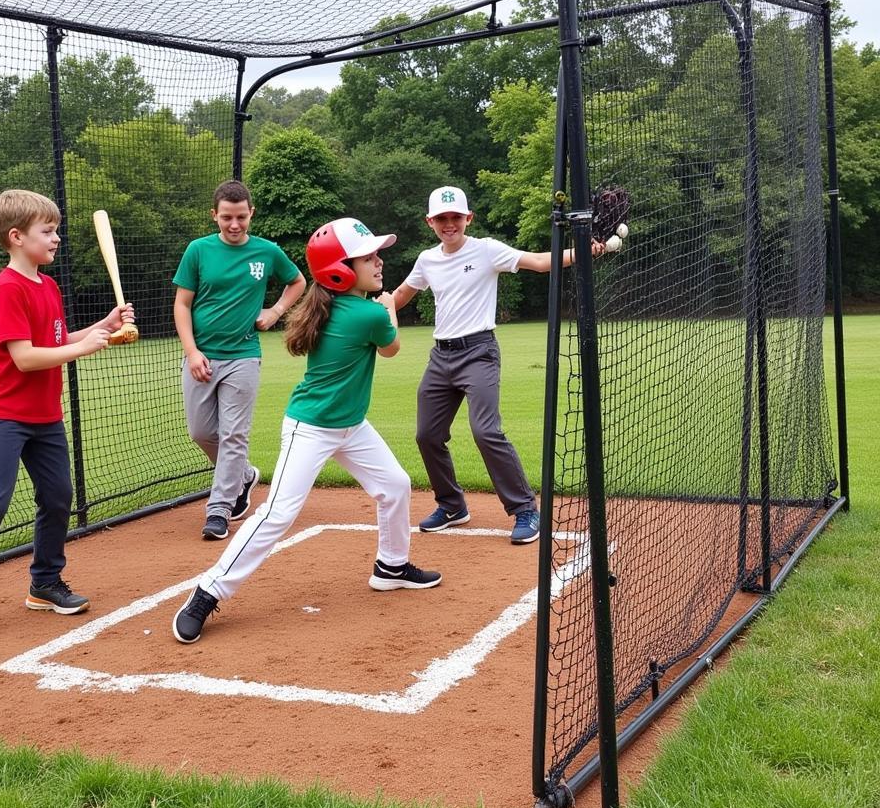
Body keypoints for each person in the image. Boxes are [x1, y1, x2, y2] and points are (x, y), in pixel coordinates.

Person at [172, 217, 441, 644]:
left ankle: (392, 566)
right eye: (368, 257)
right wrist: (389, 307)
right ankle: (208, 591)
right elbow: (391, 348)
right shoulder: (367, 314)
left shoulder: (330, 304)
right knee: (277, 513)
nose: (379, 262)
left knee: (395, 484)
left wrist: (382, 306)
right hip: (311, 428)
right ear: (340, 270)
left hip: (351, 426)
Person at [0, 189, 135, 641]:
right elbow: (26, 358)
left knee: (58, 496)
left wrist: (103, 326)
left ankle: (45, 582)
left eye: (55, 230)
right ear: (16, 237)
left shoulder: (47, 285)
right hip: (6, 414)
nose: (56, 239)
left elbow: (53, 341)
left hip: (44, 415)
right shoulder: (8, 288)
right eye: (47, 231)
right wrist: (84, 348)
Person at [392, 185, 601, 545]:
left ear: (468, 218)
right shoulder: (427, 260)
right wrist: (364, 309)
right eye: (441, 218)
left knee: (486, 430)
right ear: (430, 222)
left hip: (479, 352)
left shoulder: (487, 250)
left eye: (455, 217)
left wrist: (579, 251)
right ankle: (453, 506)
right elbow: (398, 297)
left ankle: (525, 510)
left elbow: (538, 262)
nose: (449, 224)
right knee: (427, 435)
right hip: (441, 357)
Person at [173, 180, 306, 542]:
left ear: (251, 214)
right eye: (227, 217)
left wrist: (276, 310)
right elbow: (182, 304)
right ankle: (243, 475)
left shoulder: (267, 251)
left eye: (241, 217)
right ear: (214, 215)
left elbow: (297, 281)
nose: (235, 225)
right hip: (202, 356)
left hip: (244, 356)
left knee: (234, 434)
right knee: (201, 432)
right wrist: (192, 352)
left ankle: (219, 510)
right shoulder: (198, 250)